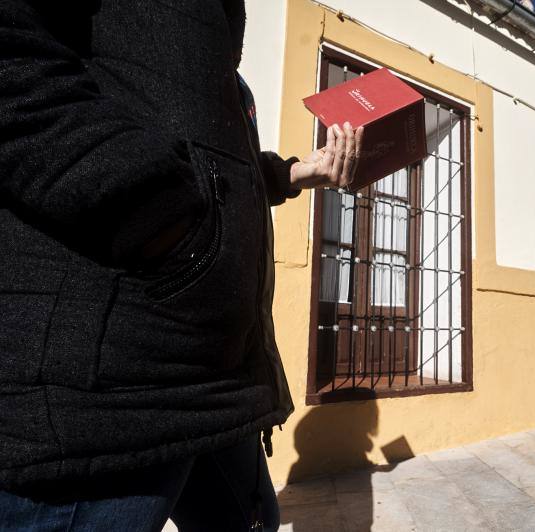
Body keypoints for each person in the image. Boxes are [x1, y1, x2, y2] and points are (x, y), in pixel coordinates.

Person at [0, 1, 362, 530]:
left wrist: (298, 173)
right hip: (116, 386)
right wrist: (163, 220)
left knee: (253, 520)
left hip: (219, 372)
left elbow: (213, 174)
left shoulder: (226, 85)